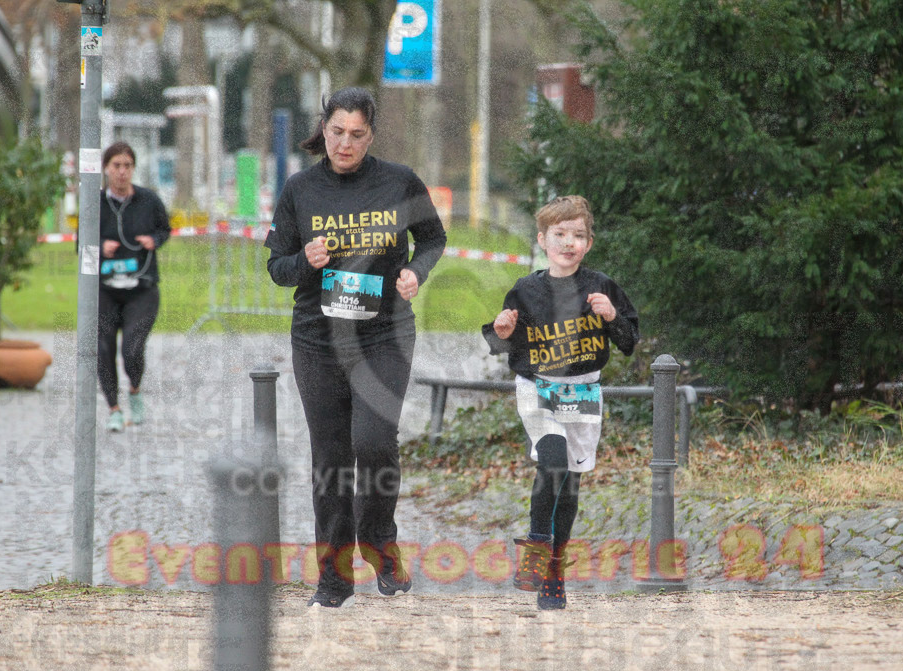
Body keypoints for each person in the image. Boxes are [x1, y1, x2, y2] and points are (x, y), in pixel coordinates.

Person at [265, 86, 447, 608]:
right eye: (337, 132)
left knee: (373, 441)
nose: (345, 144)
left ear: (372, 135)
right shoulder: (301, 189)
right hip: (318, 338)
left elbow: (432, 239)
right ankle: (334, 575)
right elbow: (277, 268)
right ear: (324, 130)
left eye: (357, 135)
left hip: (383, 333)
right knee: (331, 457)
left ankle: (378, 541)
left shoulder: (398, 181)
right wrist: (306, 259)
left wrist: (415, 270)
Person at [482, 195, 639, 610]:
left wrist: (611, 318)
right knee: (551, 458)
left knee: (569, 484)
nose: (568, 242)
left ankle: (554, 571)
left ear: (588, 242)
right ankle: (535, 547)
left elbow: (629, 343)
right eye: (559, 234)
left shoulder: (602, 287)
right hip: (538, 387)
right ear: (542, 239)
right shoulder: (526, 289)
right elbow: (501, 341)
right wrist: (501, 327)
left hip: (584, 390)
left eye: (578, 235)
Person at [97, 141, 170, 433]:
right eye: (116, 166)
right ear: (106, 169)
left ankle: (135, 390)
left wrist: (155, 240)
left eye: (127, 165)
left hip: (142, 288)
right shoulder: (96, 204)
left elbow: (165, 229)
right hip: (105, 289)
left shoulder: (148, 200)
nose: (122, 172)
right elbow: (82, 245)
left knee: (132, 348)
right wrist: (101, 246)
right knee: (103, 348)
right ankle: (114, 409)